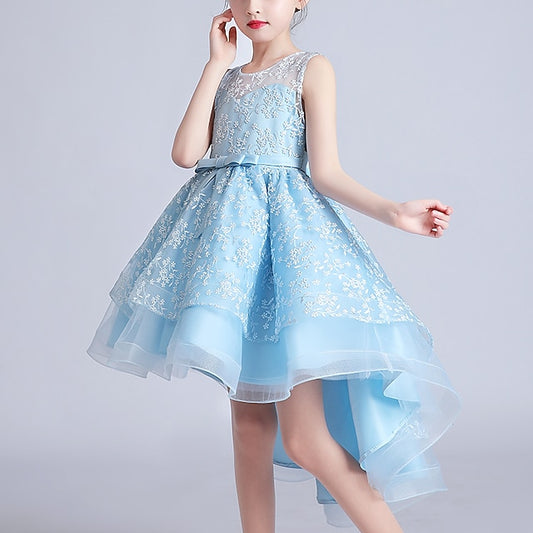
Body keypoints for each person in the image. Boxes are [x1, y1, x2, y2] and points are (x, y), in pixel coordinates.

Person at [87, 1, 461, 532]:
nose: (255, 7)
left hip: (285, 264)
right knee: (248, 428)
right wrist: (215, 63)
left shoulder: (311, 68)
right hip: (231, 266)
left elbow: (325, 172)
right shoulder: (228, 78)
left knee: (306, 439)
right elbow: (186, 154)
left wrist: (394, 212)